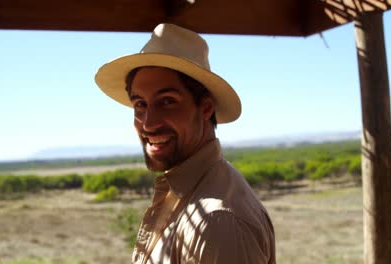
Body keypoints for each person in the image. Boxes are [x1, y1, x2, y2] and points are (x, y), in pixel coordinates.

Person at [95, 23, 276, 264]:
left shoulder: (217, 222)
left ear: (206, 107)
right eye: (140, 104)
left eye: (167, 101)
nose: (148, 124)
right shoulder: (188, 192)